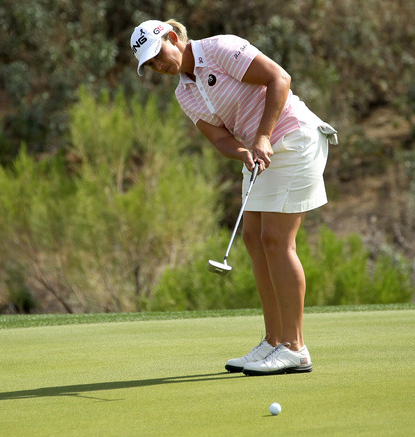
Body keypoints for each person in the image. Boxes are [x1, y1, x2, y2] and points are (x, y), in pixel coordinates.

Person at [130, 19, 337, 376]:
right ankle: (274, 341)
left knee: (276, 240)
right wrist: (243, 152)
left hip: (294, 137)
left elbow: (279, 79)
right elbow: (220, 138)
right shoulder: (184, 93)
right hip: (259, 150)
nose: (158, 66)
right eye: (150, 64)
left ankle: (295, 348)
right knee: (254, 239)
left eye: (158, 55)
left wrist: (263, 136)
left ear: (173, 38)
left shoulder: (219, 48)